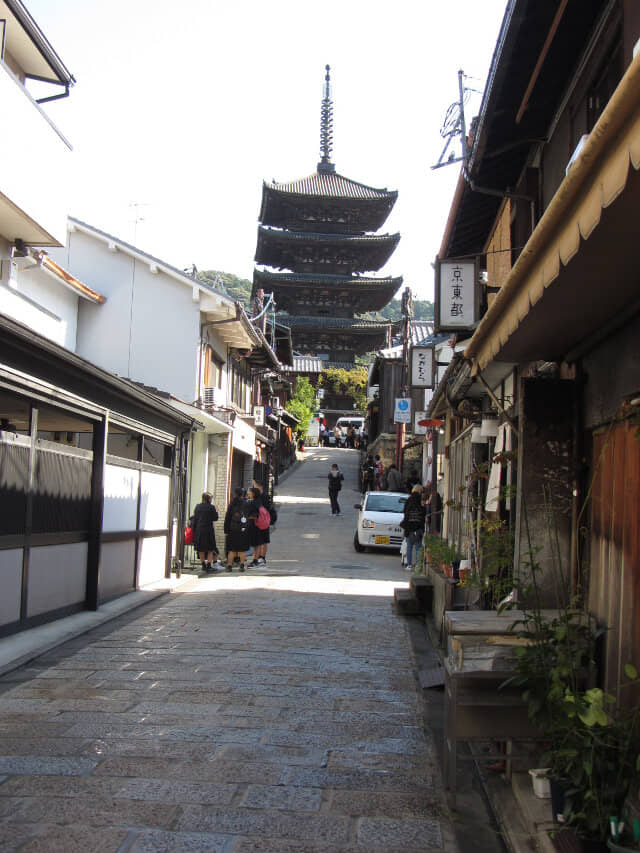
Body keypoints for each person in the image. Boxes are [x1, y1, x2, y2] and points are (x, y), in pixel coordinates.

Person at [191, 492, 220, 573]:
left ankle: (203, 564)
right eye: (211, 498)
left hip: (199, 530)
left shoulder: (198, 507)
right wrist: (216, 511)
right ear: (209, 499)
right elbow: (215, 518)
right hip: (208, 530)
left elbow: (195, 518)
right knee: (210, 548)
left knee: (201, 549)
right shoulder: (211, 507)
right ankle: (208, 565)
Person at [223, 487, 250, 572]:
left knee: (232, 549)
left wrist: (226, 530)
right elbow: (248, 517)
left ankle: (229, 565)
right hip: (242, 529)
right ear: (242, 494)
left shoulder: (232, 504)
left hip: (232, 529)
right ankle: (241, 565)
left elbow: (227, 518)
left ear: (235, 494)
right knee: (241, 549)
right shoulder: (245, 504)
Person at [400, 484, 426, 571]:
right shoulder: (421, 501)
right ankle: (418, 565)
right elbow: (423, 513)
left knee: (409, 547)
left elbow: (405, 512)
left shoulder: (409, 500)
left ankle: (409, 565)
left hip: (409, 527)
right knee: (418, 547)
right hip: (418, 527)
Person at [247, 481, 271, 567]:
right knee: (263, 541)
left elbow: (253, 515)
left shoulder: (254, 502)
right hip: (264, 522)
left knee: (258, 543)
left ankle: (257, 559)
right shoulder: (262, 499)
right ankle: (261, 558)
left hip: (257, 524)